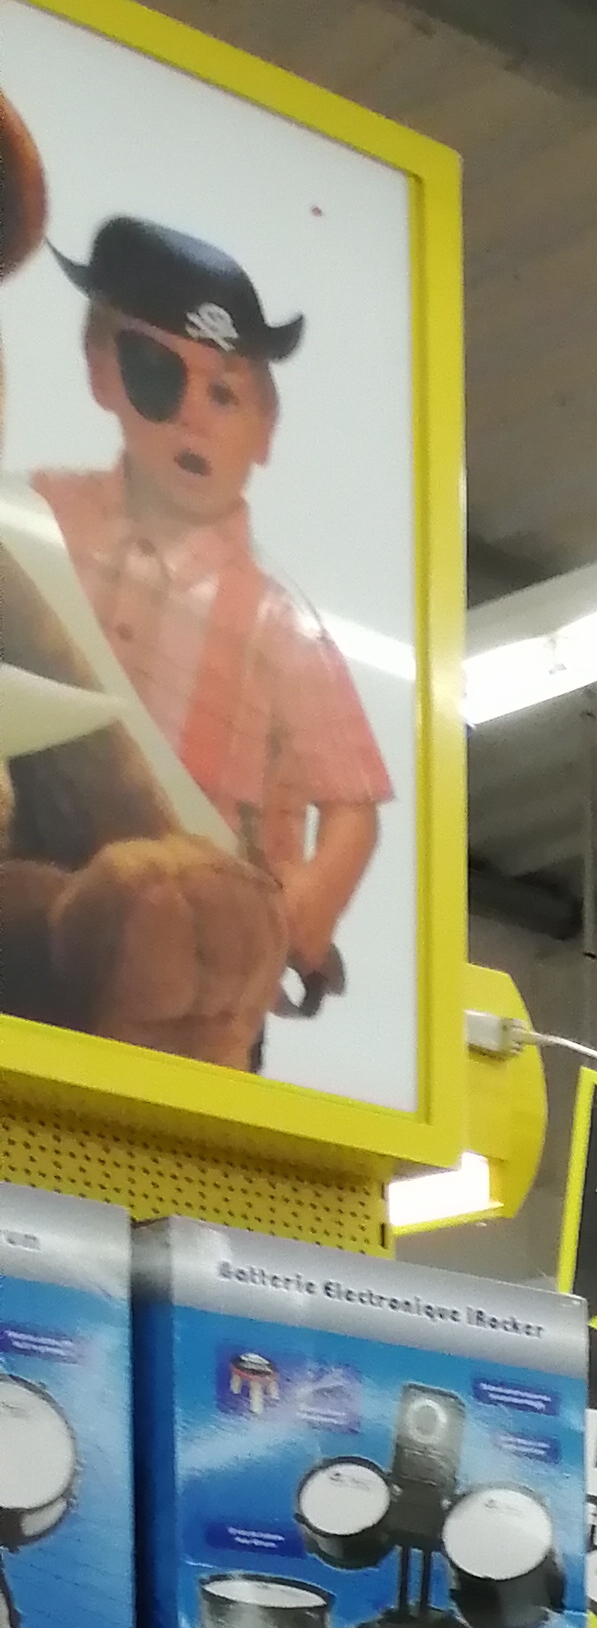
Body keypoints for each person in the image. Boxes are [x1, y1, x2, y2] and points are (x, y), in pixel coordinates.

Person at [34, 213, 387, 1025]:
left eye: (225, 394)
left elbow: (354, 808)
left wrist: (308, 905)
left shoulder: (277, 629)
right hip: (35, 917)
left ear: (266, 433)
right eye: (157, 374)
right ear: (102, 374)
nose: (193, 417)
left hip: (183, 983)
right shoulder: (43, 517)